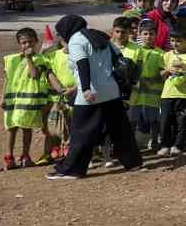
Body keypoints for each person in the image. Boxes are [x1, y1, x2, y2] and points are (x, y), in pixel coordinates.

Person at [45, 15, 143, 180]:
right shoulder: (100, 35)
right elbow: (119, 58)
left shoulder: (76, 40)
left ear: (68, 28)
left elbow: (82, 64)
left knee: (81, 132)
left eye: (60, 32)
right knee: (120, 130)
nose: (59, 35)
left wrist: (85, 89)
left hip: (91, 93)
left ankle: (71, 170)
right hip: (111, 91)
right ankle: (133, 163)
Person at [1, 27, 51, 169]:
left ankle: (25, 155)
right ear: (19, 44)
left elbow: (34, 75)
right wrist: (2, 96)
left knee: (26, 128)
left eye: (30, 42)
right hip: (13, 100)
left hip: (28, 101)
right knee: (11, 127)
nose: (27, 45)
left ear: (36, 42)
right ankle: (9, 157)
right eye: (23, 43)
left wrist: (29, 58)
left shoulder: (41, 59)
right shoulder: (11, 60)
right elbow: (7, 79)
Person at [125, 17, 165, 151]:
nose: (148, 37)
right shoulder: (136, 51)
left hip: (153, 94)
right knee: (132, 119)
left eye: (151, 34)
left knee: (154, 119)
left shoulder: (160, 53)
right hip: (136, 93)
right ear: (139, 35)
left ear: (156, 35)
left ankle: (154, 141)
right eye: (145, 34)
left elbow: (162, 72)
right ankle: (130, 143)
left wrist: (152, 80)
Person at [156, 25, 186, 156]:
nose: (175, 43)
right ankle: (165, 145)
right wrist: (168, 70)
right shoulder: (167, 55)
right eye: (172, 40)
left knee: (183, 121)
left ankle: (178, 145)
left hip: (185, 95)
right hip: (167, 93)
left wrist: (183, 65)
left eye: (178, 41)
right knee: (165, 120)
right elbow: (160, 74)